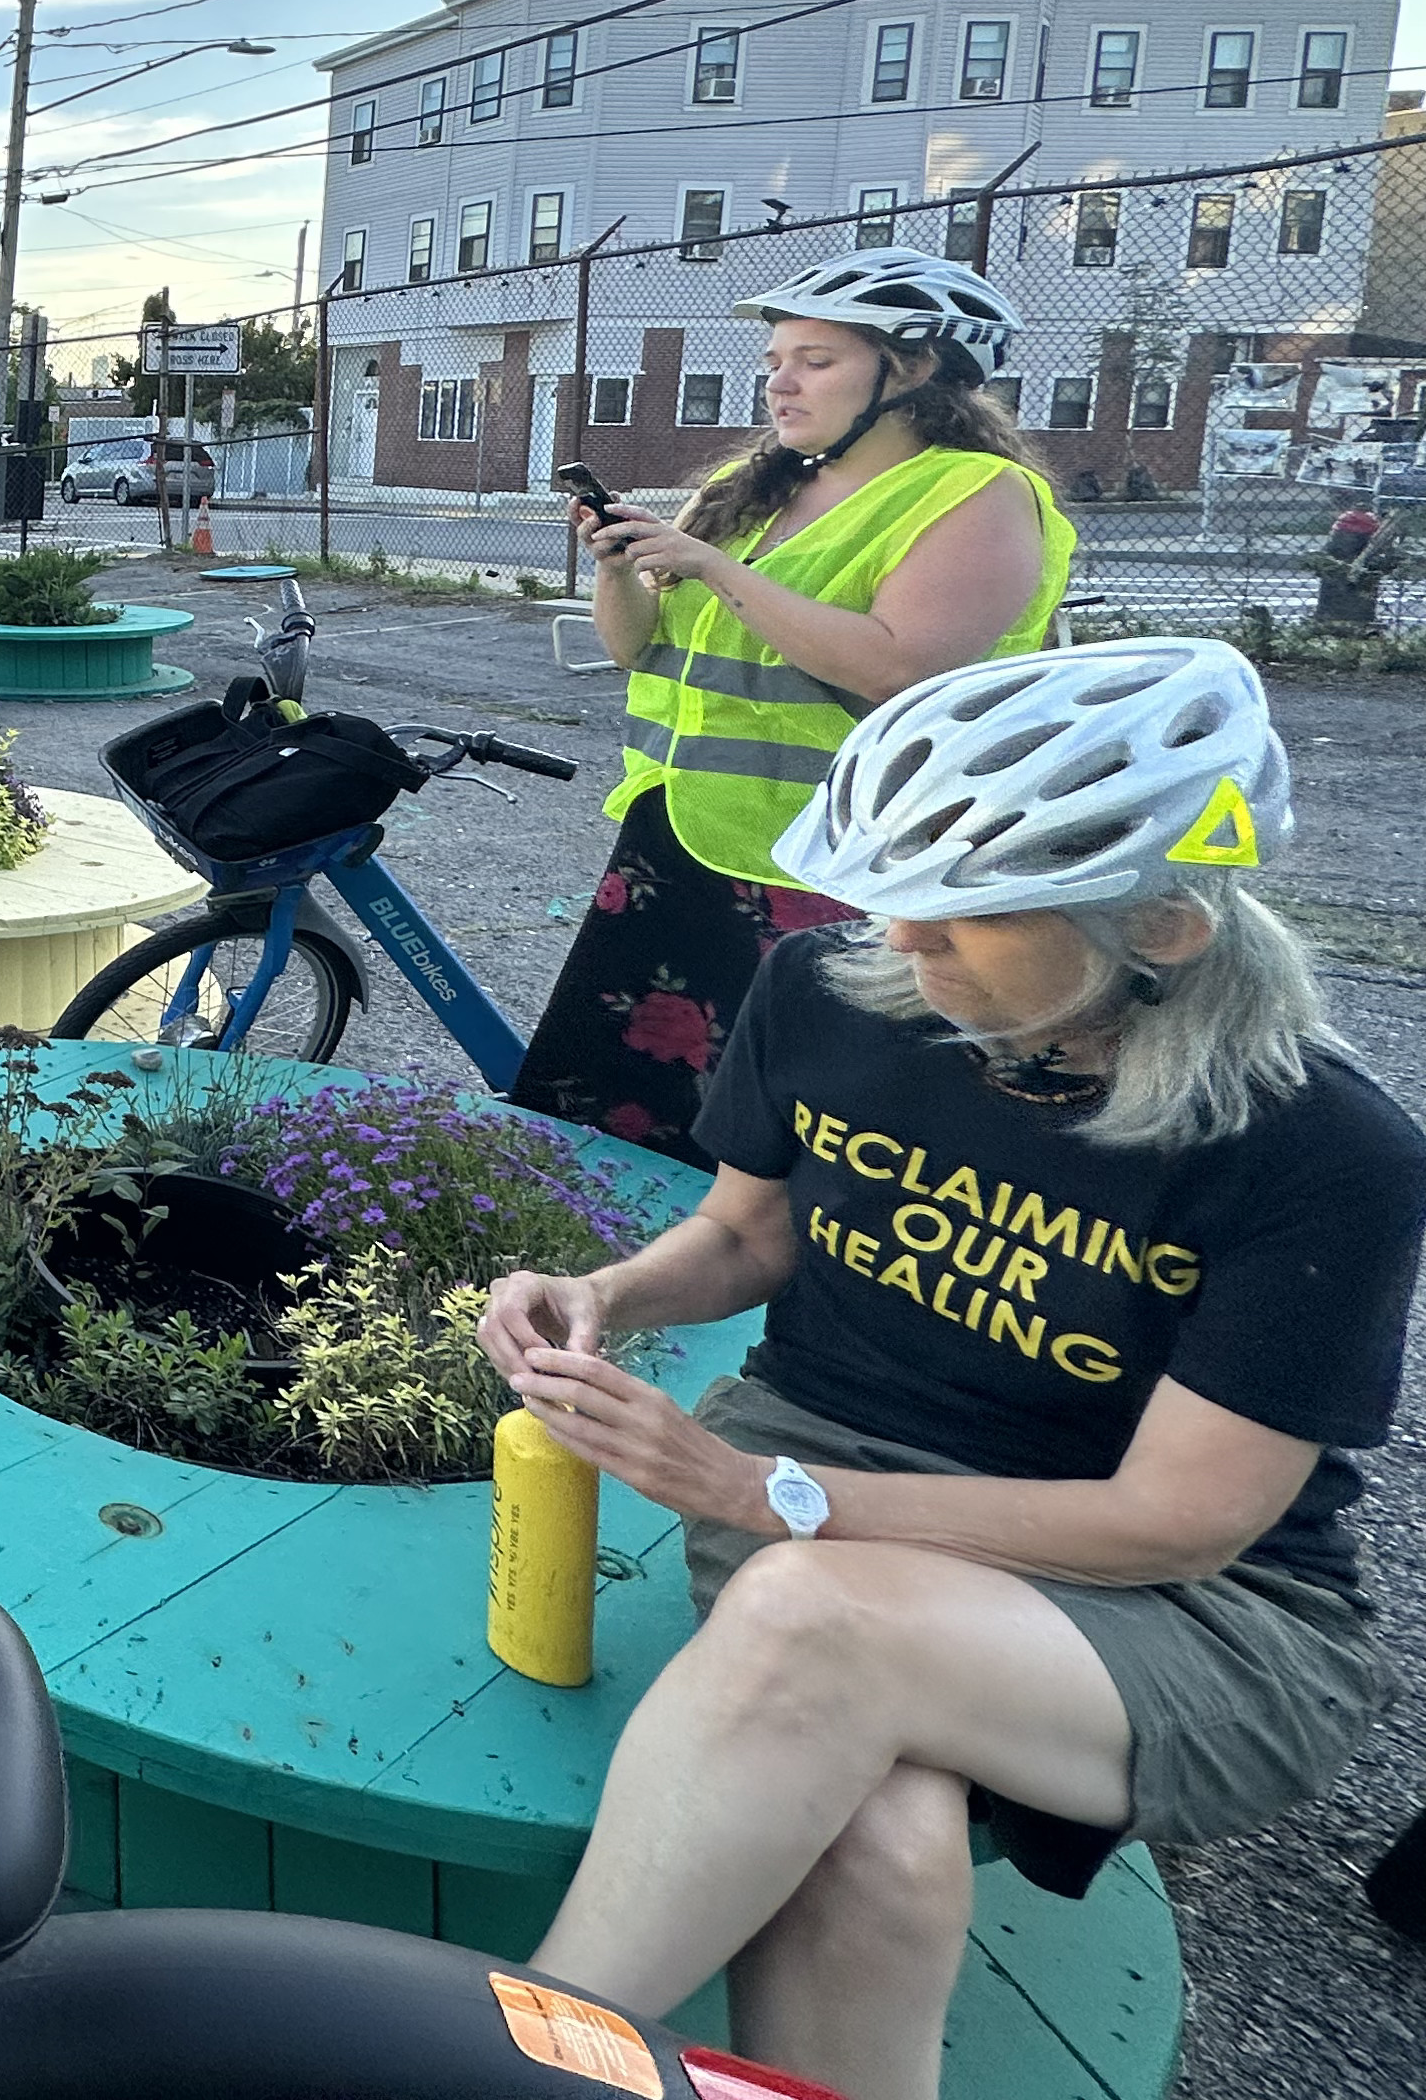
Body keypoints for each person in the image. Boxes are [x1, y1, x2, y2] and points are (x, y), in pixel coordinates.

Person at [480, 639, 1426, 2100]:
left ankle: (516, 2054)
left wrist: (759, 1488)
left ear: (1163, 928)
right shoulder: (830, 987)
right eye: (890, 897)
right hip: (837, 1493)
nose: (897, 943)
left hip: (1183, 1608)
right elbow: (745, 1237)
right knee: (881, 1840)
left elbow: (1185, 1523)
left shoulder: (1324, 1151)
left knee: (810, 1623)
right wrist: (602, 1289)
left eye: (964, 920)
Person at [513, 254, 1073, 1160]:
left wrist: (716, 569)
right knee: (626, 1119)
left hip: (838, 862)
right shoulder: (751, 486)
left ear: (915, 370)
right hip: (683, 837)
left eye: (816, 359)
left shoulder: (979, 495)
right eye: (777, 357)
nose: (781, 379)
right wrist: (621, 567)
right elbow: (635, 649)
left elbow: (900, 668)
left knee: (779, 1141)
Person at [1309, 501, 1404, 629]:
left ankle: (1331, 619)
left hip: (1330, 610)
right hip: (1361, 611)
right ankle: (1354, 622)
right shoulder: (1371, 550)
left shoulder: (1339, 541)